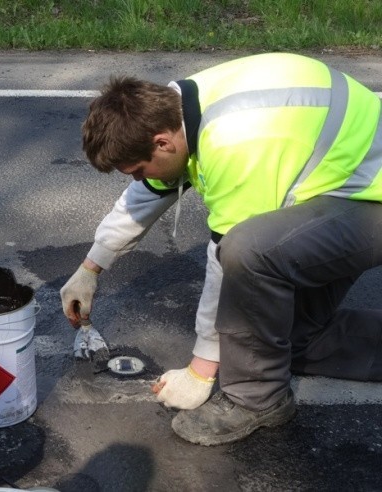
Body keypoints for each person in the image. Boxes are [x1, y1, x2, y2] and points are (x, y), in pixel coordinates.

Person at [60, 52, 382, 446]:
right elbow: (147, 195)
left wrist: (200, 370)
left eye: (139, 168)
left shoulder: (235, 140)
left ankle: (256, 400)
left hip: (369, 202)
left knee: (250, 251)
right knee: (284, 338)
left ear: (162, 143)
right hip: (343, 183)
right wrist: (90, 268)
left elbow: (227, 265)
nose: (141, 178)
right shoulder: (180, 108)